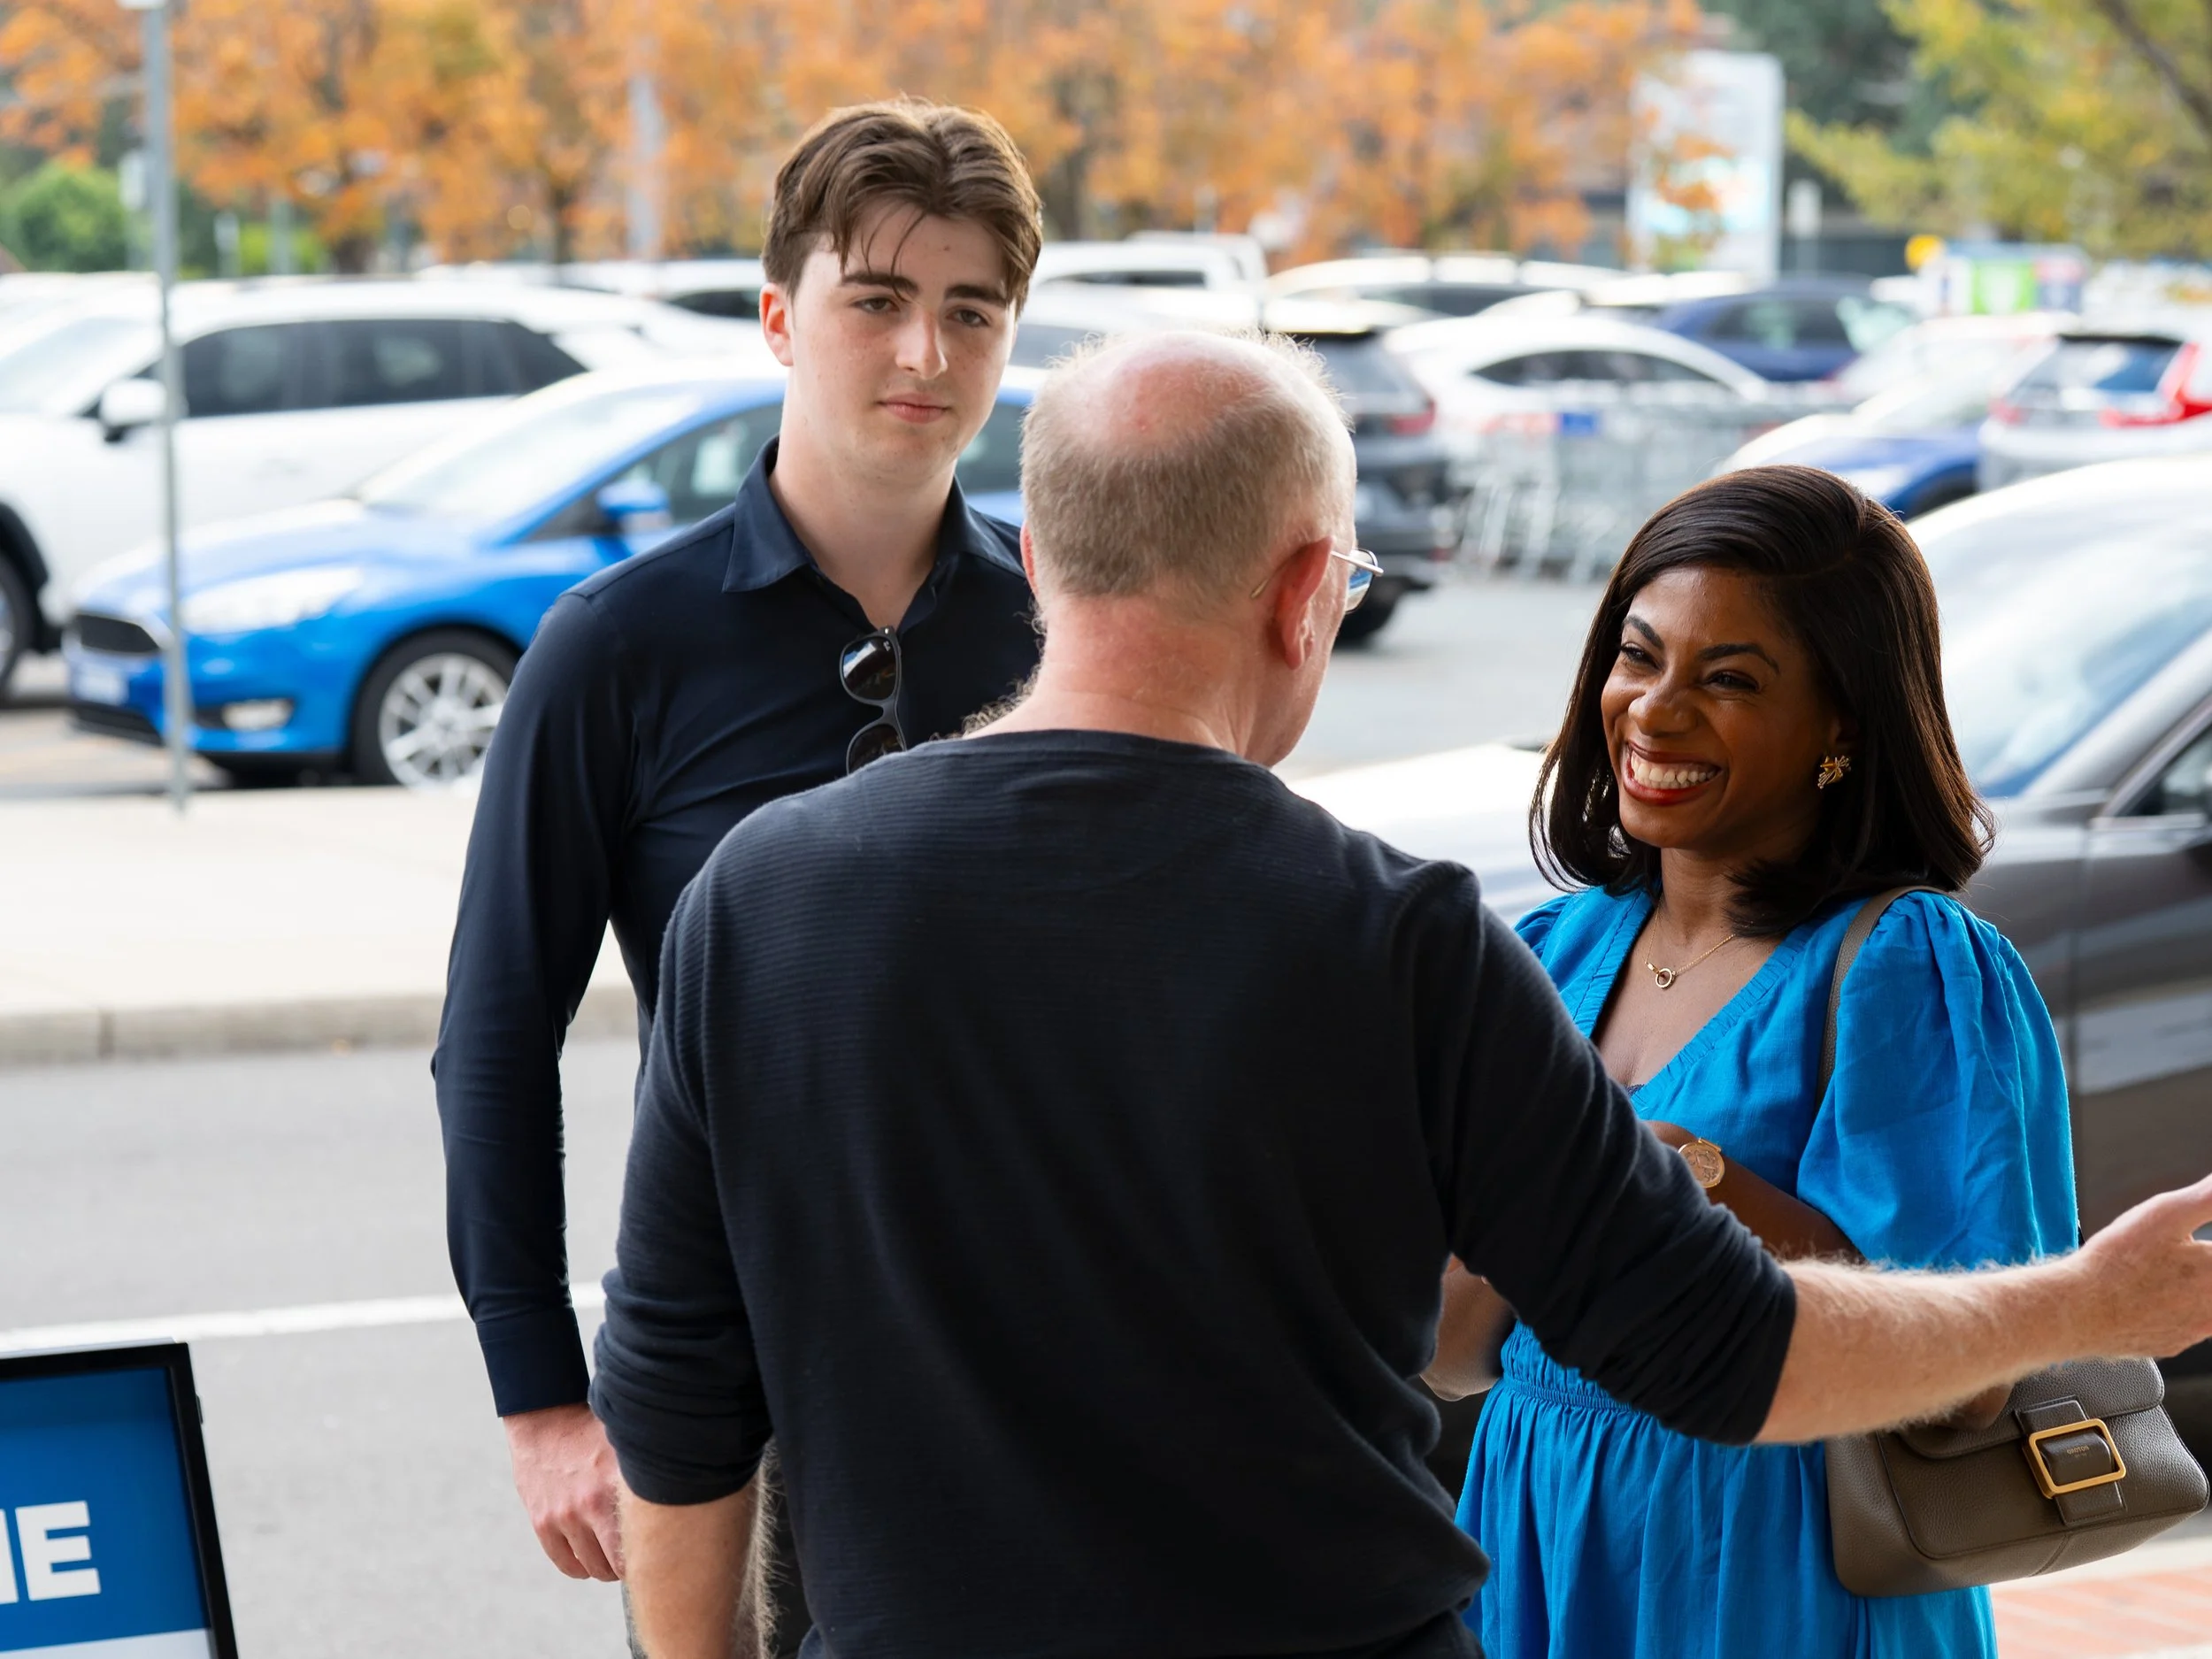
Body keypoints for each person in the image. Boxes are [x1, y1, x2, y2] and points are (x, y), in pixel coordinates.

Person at [588, 332, 2212, 1659]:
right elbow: (1714, 1344)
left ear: (1041, 559)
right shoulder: (1404, 937)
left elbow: (673, 1387)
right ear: (1306, 590)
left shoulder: (757, 894)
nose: (1656, 708)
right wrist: (2088, 1302)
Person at [431, 98, 1046, 1644]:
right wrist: (541, 1401)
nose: (926, 353)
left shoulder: (1061, 628)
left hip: (1034, 1359)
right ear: (780, 317)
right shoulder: (617, 645)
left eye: (972, 311)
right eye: (878, 301)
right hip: (731, 1379)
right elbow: (494, 1037)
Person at [1427, 465, 2077, 1659]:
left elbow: (1976, 1374)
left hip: (1772, 1558)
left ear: (1843, 725)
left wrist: (1693, 1175)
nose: (1656, 710)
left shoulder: (1908, 966)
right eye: (1639, 656)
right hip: (1542, 1531)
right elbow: (1450, 1353)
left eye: (1729, 679)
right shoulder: (1553, 952)